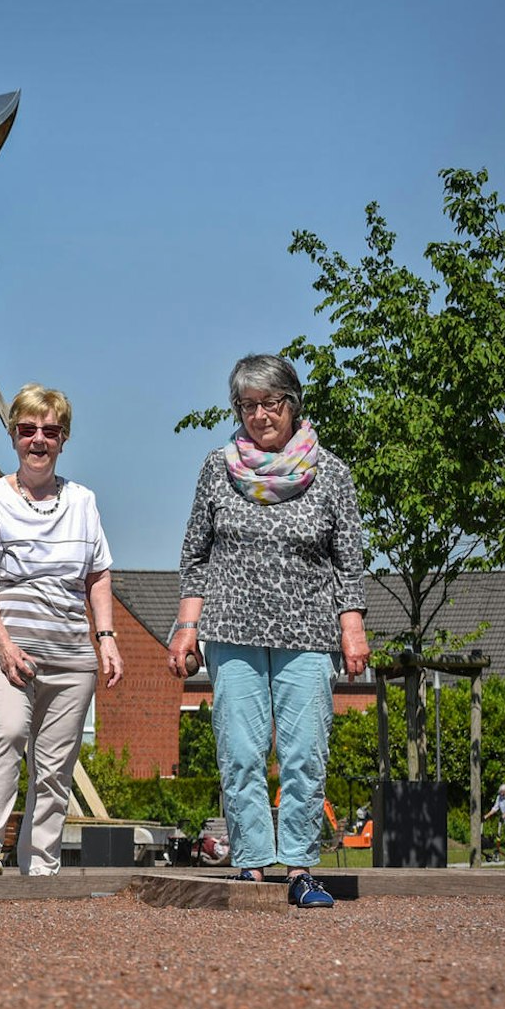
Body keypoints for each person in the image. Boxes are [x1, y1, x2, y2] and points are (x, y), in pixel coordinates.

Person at [168, 354, 368, 909]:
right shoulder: (217, 468)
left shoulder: (331, 473)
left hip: (308, 633)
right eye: (247, 405)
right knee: (240, 752)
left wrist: (352, 628)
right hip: (232, 630)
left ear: (292, 404)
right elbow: (196, 556)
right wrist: (186, 628)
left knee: (304, 754)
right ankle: (252, 863)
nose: (259, 415)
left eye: (270, 403)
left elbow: (349, 562)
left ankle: (301, 867)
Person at [0, 384, 122, 877]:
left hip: (70, 653)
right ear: (13, 435)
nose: (38, 440)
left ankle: (40, 864)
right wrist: (4, 646)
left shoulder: (83, 501)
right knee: (7, 731)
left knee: (55, 765)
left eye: (49, 432)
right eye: (28, 430)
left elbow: (98, 575)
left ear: (63, 439)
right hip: (4, 647)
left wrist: (107, 639)